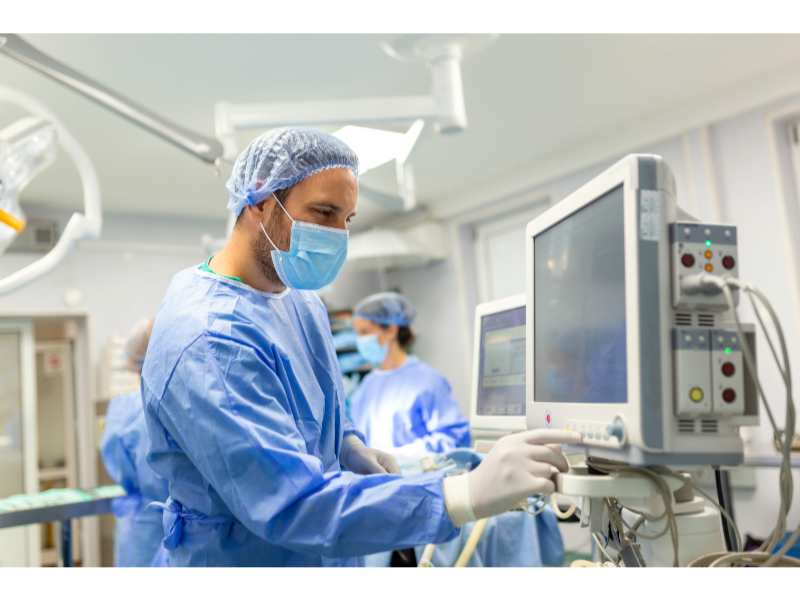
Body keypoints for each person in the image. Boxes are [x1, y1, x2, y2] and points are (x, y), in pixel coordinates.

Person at [141, 126, 581, 567]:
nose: (338, 235)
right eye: (324, 212)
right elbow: (292, 504)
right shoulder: (209, 339)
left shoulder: (299, 300)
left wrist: (349, 443)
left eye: (347, 219)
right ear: (258, 201)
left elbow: (322, 406)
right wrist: (462, 495)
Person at [349, 292, 470, 457]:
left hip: (419, 472)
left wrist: (405, 455)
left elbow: (455, 438)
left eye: (364, 331)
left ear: (391, 330)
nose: (360, 339)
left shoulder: (427, 380)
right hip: (376, 474)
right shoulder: (365, 387)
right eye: (357, 333)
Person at [100, 319, 169, 567]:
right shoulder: (175, 404)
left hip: (139, 526)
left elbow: (119, 467)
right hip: (176, 525)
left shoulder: (123, 408)